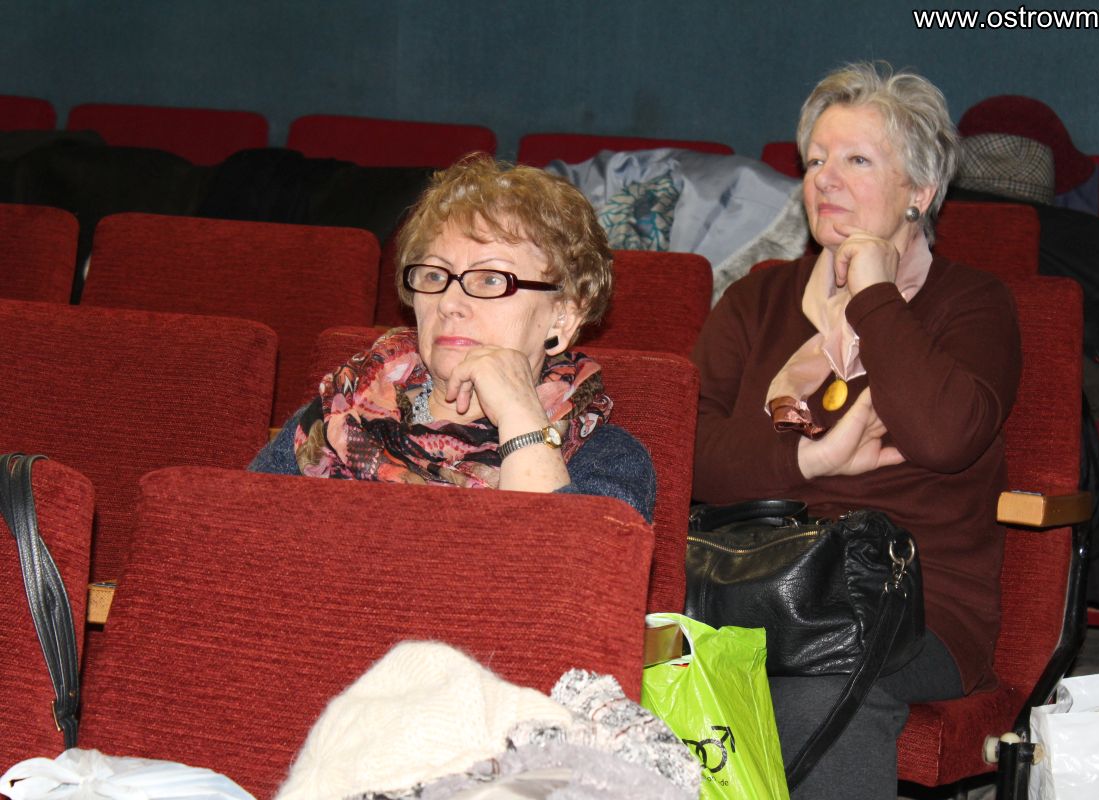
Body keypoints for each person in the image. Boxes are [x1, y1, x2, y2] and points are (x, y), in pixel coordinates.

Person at [690, 62, 1021, 798]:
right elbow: (684, 451)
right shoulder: (757, 301)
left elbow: (943, 436)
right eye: (815, 162)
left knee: (816, 683)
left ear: (920, 192)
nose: (825, 180)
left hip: (914, 602)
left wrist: (873, 291)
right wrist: (809, 462)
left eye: (857, 161)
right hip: (749, 583)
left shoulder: (973, 304)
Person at [250, 155, 655, 523]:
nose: (449, 302)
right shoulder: (336, 416)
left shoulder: (605, 458)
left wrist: (520, 416)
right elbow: (236, 542)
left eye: (491, 279)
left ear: (563, 316)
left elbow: (565, 571)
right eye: (434, 275)